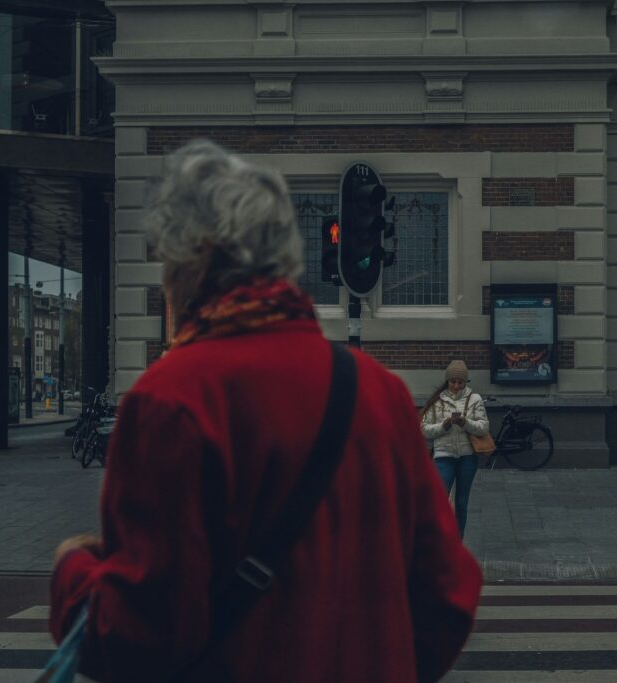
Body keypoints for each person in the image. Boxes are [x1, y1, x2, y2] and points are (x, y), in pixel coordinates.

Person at [48, 140, 482, 682]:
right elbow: (448, 592)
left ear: (190, 260)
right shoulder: (379, 392)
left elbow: (138, 635)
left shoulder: (172, 401)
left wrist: (71, 571)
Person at [420, 360, 490, 538]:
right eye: (453, 382)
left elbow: (483, 427)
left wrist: (465, 423)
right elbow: (425, 429)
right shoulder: (438, 401)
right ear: (447, 381)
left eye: (460, 382)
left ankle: (457, 544)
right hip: (443, 457)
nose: (456, 386)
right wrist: (444, 426)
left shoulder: (474, 399)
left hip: (467, 457)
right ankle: (440, 541)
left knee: (461, 503)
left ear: (466, 382)